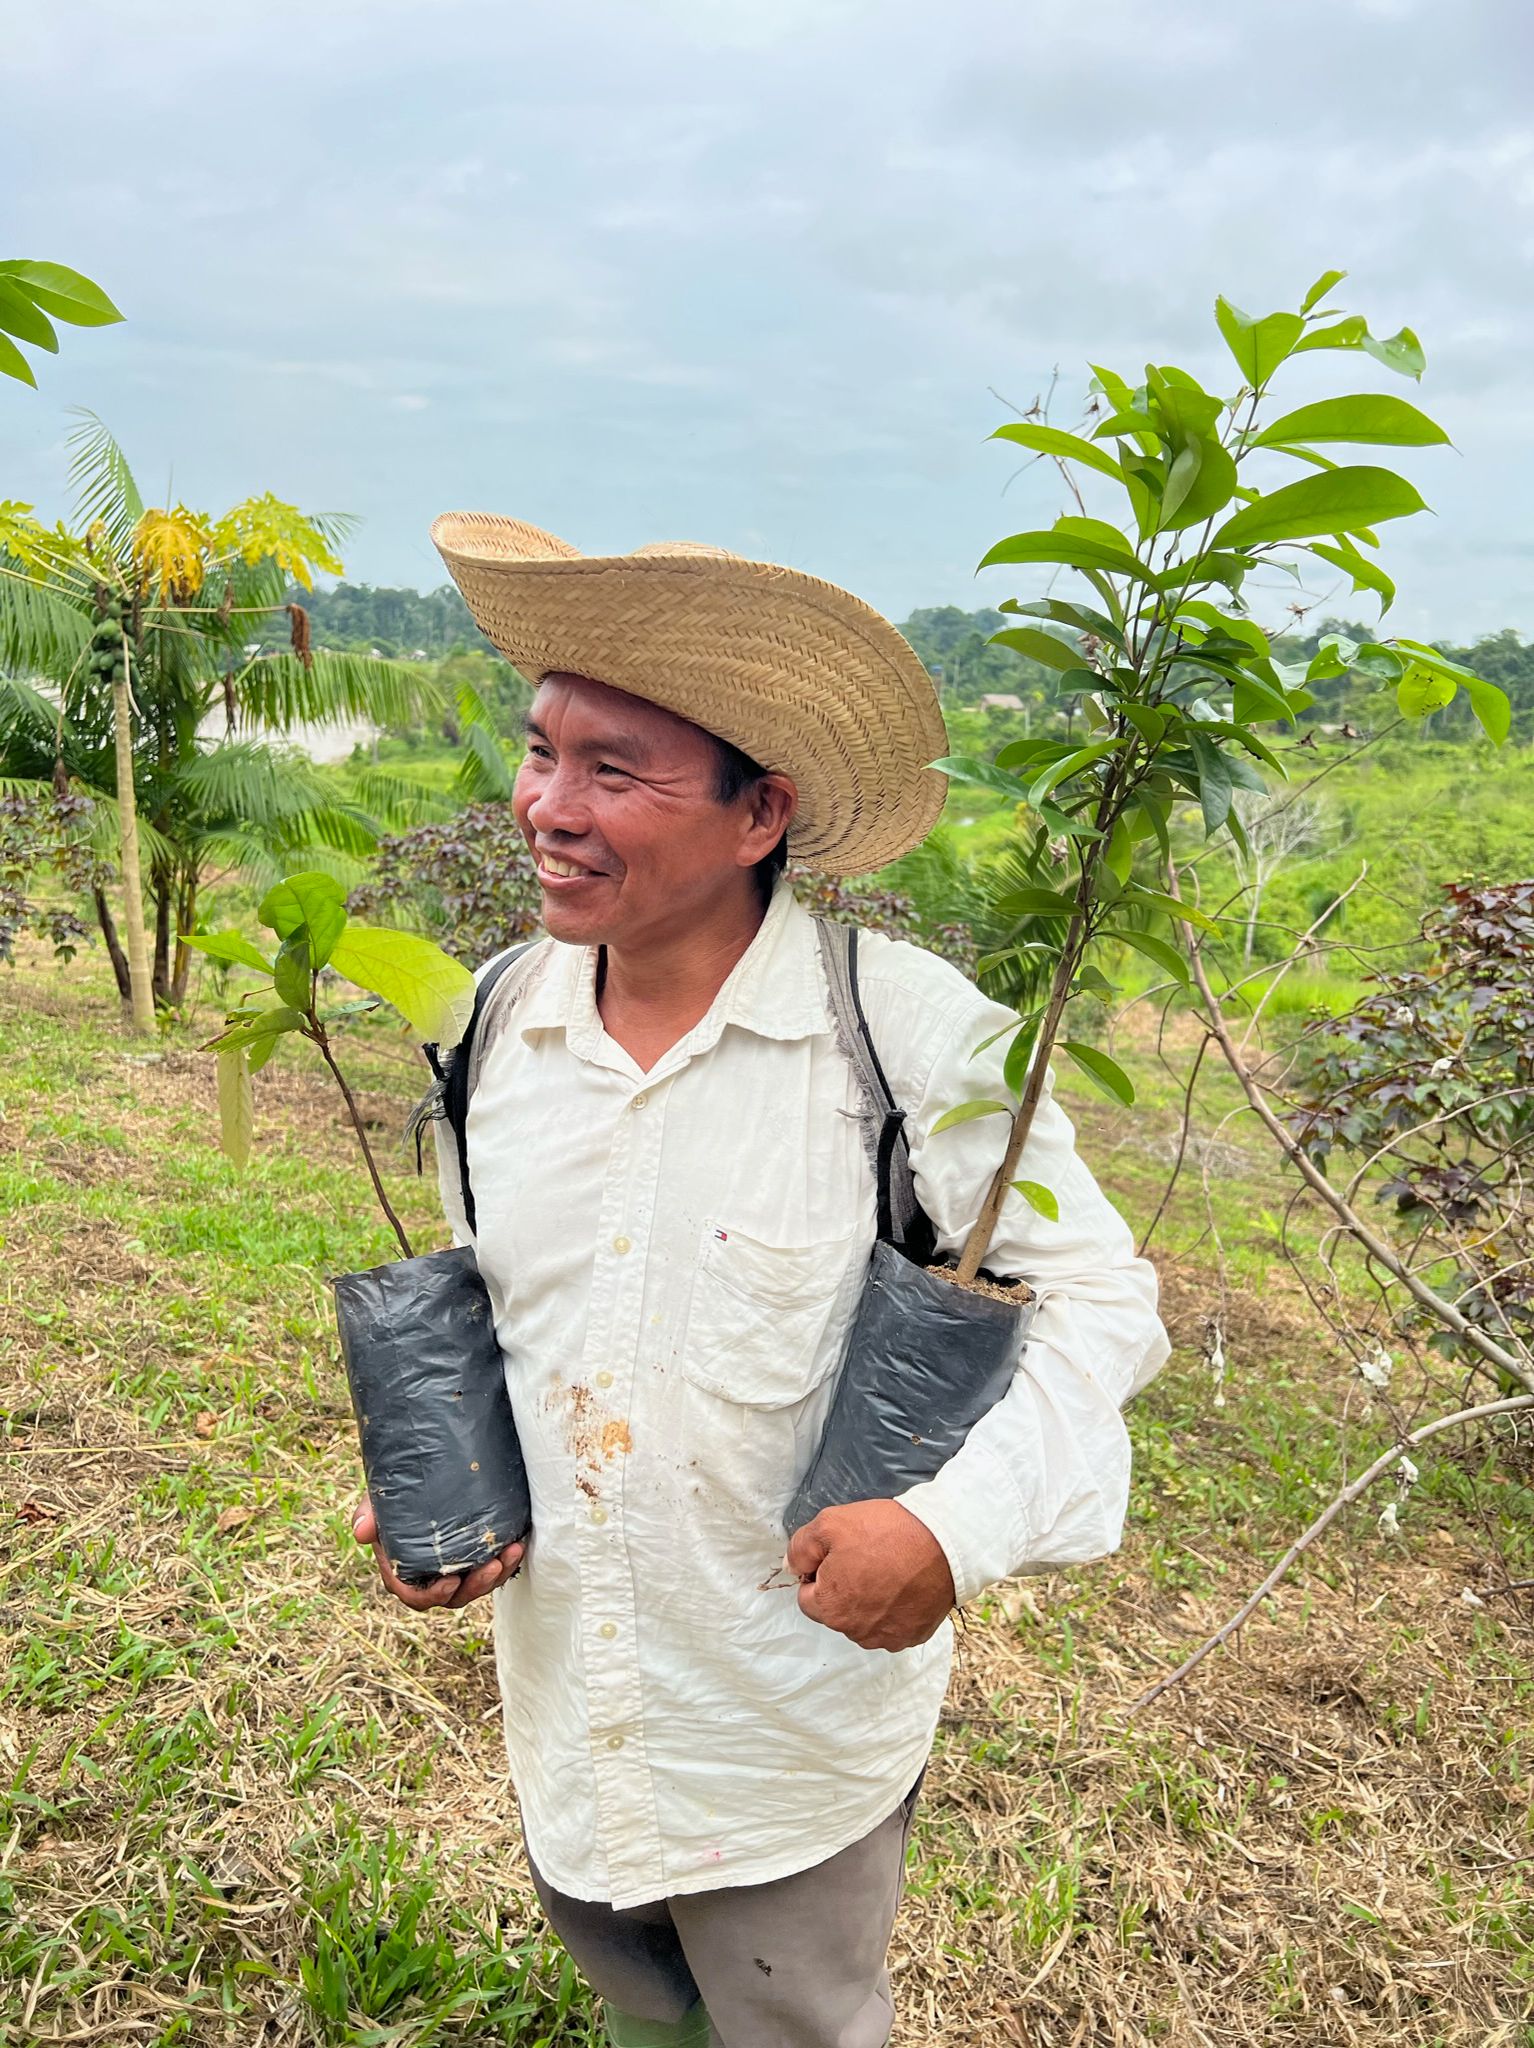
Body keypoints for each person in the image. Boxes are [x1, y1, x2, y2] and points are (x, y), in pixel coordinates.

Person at [353, 515, 1168, 2048]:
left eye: (615, 772)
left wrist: (953, 1528)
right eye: (540, 753)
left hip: (778, 1729)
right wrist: (436, 1475)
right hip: (569, 1693)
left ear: (758, 814)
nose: (546, 807)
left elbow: (1101, 1303)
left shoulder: (910, 1041)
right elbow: (497, 1295)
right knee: (638, 2005)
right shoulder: (486, 1028)